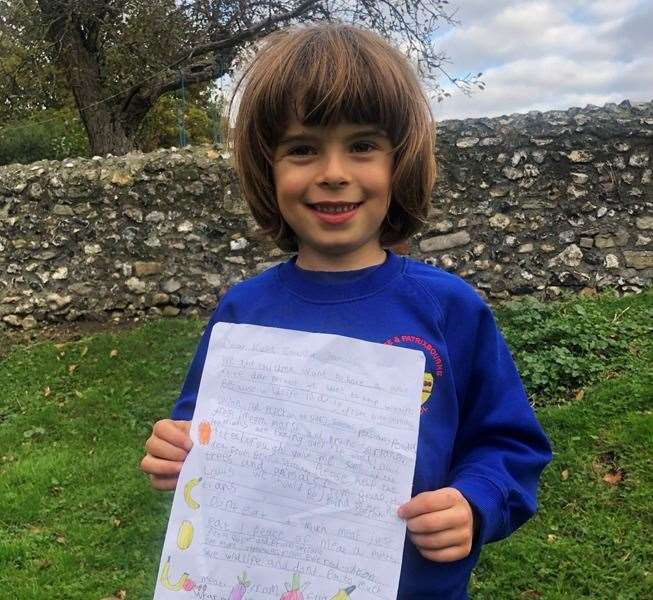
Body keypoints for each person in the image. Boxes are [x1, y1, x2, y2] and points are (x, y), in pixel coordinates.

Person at [141, 22, 552, 599]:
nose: (333, 172)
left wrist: (474, 502)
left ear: (400, 162)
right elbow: (198, 430)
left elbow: (509, 445)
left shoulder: (448, 309)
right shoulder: (243, 311)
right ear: (269, 169)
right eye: (302, 148)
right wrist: (175, 450)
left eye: (362, 145)